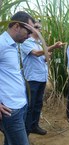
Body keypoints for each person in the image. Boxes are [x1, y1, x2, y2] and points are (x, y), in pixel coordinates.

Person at [20, 21, 64, 135]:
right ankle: (26, 131)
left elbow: (43, 59)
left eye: (40, 27)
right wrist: (53, 46)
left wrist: (50, 53)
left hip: (41, 78)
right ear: (30, 29)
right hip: (32, 79)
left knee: (38, 104)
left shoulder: (40, 43)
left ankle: (35, 126)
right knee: (30, 105)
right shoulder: (26, 42)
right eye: (36, 27)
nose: (39, 29)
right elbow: (36, 53)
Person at [0, 11, 35, 145]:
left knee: (10, 141)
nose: (30, 35)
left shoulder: (14, 45)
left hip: (21, 105)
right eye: (28, 31)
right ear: (16, 26)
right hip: (10, 110)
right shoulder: (1, 44)